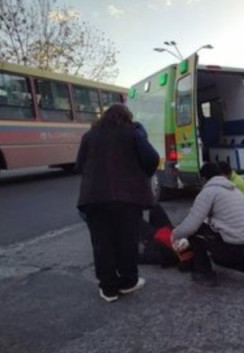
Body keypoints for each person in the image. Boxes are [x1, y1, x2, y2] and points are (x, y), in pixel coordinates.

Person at [76, 103, 159, 303]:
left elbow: (79, 165)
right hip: (128, 198)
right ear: (126, 117)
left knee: (102, 243)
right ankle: (129, 281)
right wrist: (141, 175)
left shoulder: (89, 136)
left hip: (94, 198)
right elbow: (152, 158)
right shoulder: (132, 133)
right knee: (127, 241)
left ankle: (108, 289)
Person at [171, 162, 244, 287]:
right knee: (219, 255)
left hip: (233, 248)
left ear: (203, 179)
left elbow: (192, 225)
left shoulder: (209, 192)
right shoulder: (235, 190)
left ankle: (205, 274)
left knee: (195, 234)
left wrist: (174, 234)